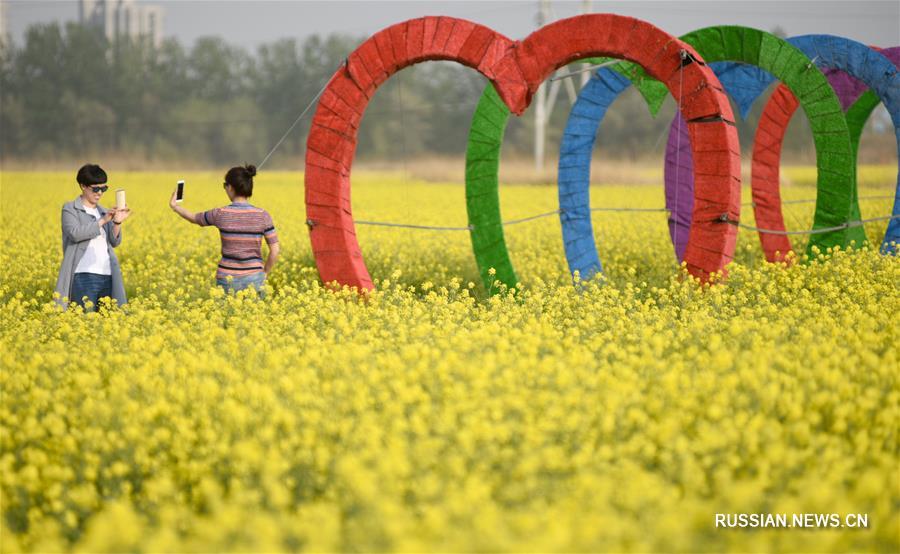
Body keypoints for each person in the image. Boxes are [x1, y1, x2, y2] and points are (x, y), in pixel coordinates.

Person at [170, 164, 280, 294]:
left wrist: (175, 206)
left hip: (227, 279)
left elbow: (194, 218)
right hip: (255, 278)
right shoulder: (263, 215)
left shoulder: (221, 213)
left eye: (225, 186)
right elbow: (275, 250)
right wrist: (265, 272)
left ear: (231, 188)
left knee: (226, 313)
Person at [55, 163, 131, 310]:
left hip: (107, 275)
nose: (100, 193)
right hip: (82, 275)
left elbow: (114, 241)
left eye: (103, 188)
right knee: (84, 322)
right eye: (95, 189)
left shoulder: (103, 211)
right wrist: (103, 221)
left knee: (107, 325)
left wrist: (117, 222)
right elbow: (75, 233)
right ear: (83, 186)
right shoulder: (71, 209)